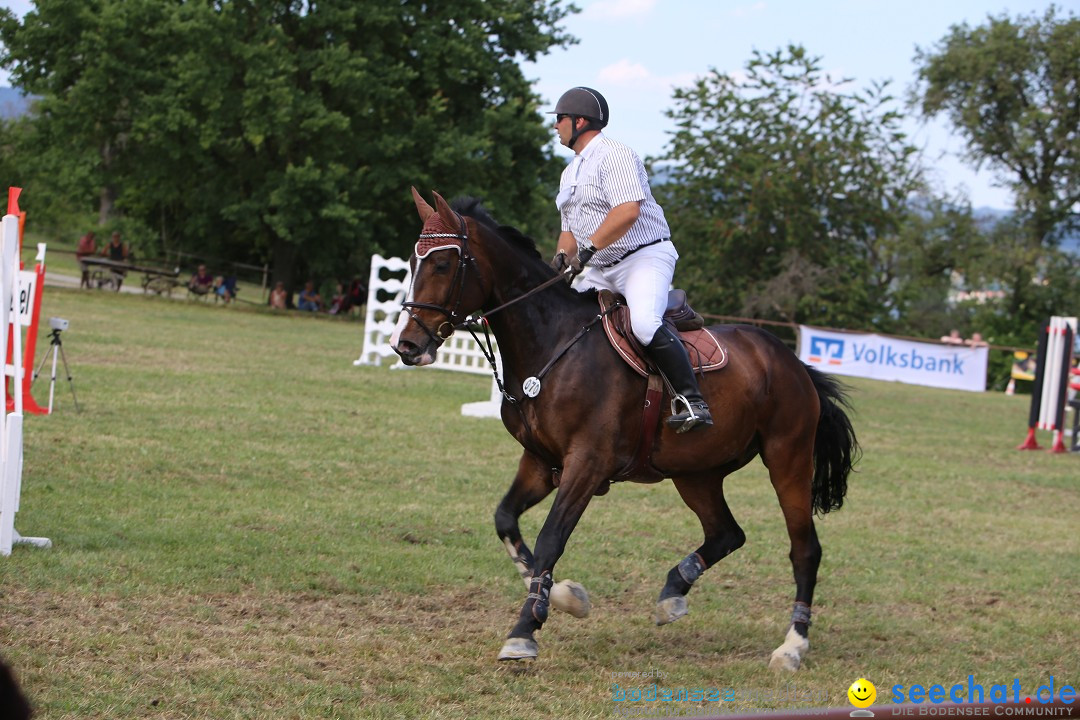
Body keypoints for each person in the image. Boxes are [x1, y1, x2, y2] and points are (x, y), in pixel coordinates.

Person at [548, 86, 711, 432]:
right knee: (563, 320)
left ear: (579, 121)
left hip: (643, 257)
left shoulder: (616, 155)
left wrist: (588, 249)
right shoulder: (569, 173)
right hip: (601, 268)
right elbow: (568, 233)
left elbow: (627, 212)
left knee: (644, 325)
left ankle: (692, 400)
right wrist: (560, 263)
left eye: (559, 119)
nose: (555, 126)